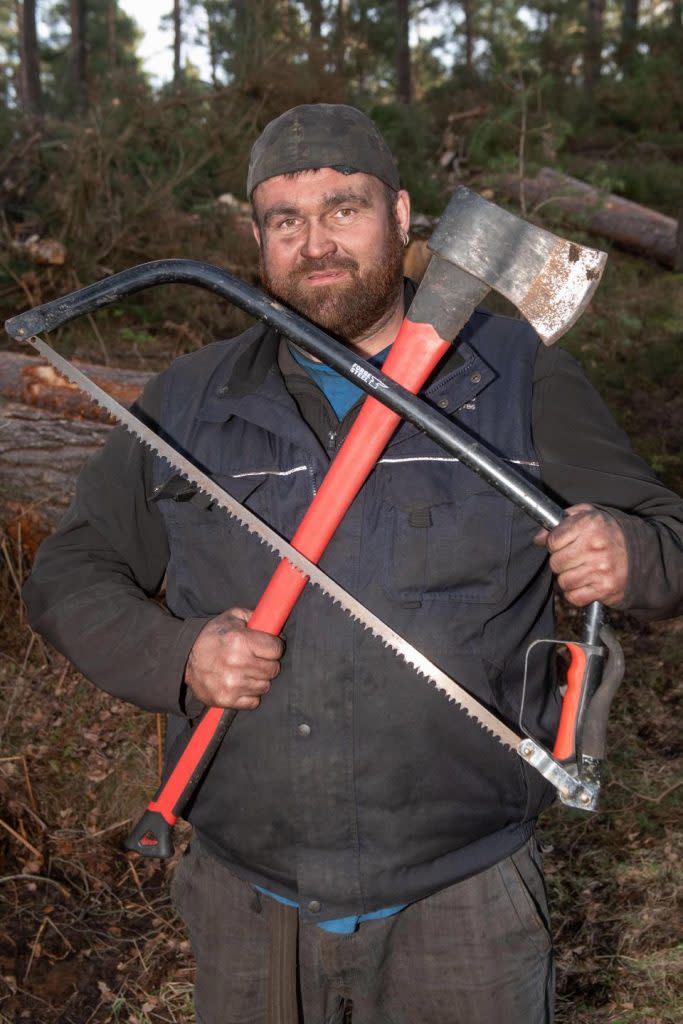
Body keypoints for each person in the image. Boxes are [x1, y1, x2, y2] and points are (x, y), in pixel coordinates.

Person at [23, 104, 683, 1024]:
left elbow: (666, 537)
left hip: (463, 898)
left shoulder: (515, 376)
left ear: (403, 215)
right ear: (256, 239)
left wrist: (629, 551)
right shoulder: (189, 401)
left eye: (344, 208)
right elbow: (67, 573)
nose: (315, 242)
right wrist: (175, 653)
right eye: (284, 220)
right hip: (246, 895)